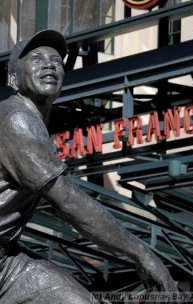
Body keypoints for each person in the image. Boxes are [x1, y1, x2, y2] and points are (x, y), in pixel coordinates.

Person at [0, 29, 180, 303]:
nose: (49, 64)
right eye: (36, 59)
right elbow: (69, 202)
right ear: (13, 78)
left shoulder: (30, 122)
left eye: (57, 61)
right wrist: (141, 252)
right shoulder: (16, 120)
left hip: (7, 261)